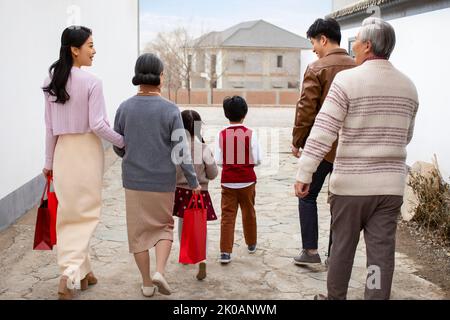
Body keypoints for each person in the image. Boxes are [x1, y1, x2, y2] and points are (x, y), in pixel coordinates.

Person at [295, 17, 419, 300]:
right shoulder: (408, 87)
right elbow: (406, 136)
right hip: (389, 189)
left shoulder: (348, 81)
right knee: (380, 254)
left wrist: (305, 174)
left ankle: (335, 297)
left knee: (342, 249)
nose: (355, 48)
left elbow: (323, 132)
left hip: (351, 186)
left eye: (358, 42)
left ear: (368, 45)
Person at [42, 26, 125, 300]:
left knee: (70, 214)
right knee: (87, 213)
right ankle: (68, 273)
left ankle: (85, 272)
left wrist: (49, 162)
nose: (94, 50)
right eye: (90, 45)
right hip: (87, 151)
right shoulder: (92, 82)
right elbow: (98, 125)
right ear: (74, 50)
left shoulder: (52, 79)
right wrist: (122, 141)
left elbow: (49, 127)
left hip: (64, 151)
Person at [113, 53, 201, 298]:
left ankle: (146, 284)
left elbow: (118, 145)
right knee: (164, 228)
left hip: (133, 181)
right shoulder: (171, 110)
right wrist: (193, 181)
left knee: (138, 234)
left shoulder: (124, 108)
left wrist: (131, 152)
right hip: (163, 182)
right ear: (160, 77)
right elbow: (181, 150)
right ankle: (160, 271)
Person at [292, 18, 356, 266]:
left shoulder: (316, 68)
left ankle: (310, 252)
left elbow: (306, 109)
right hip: (350, 148)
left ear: (323, 39)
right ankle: (334, 257)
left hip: (322, 148)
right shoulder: (357, 66)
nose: (313, 49)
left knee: (306, 195)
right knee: (339, 201)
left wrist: (298, 141)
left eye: (313, 43)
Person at [215, 96, 262, 264]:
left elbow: (219, 160)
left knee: (228, 216)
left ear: (226, 114)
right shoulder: (251, 134)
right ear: (245, 113)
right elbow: (257, 158)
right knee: (248, 212)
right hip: (247, 181)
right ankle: (251, 243)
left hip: (228, 181)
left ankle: (225, 252)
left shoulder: (221, 134)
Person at [173, 109, 218, 280]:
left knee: (183, 222)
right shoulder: (204, 148)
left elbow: (171, 173)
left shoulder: (176, 148)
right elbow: (213, 174)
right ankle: (202, 258)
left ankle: (185, 254)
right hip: (200, 192)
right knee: (200, 227)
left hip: (180, 192)